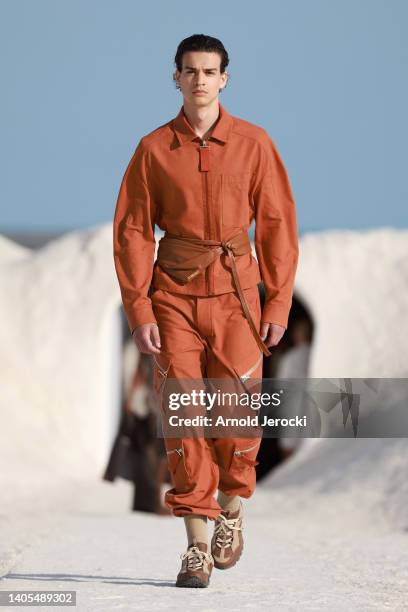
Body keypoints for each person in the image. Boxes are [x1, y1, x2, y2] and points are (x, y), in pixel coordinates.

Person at [113, 33, 299, 588]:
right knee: (184, 416)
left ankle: (233, 511)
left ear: (225, 78)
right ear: (176, 77)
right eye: (189, 71)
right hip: (173, 297)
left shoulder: (254, 143)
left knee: (236, 420)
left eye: (209, 72)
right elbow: (132, 232)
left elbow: (277, 226)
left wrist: (279, 299)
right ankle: (196, 546)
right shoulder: (152, 149)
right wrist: (139, 307)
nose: (199, 81)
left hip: (238, 297)